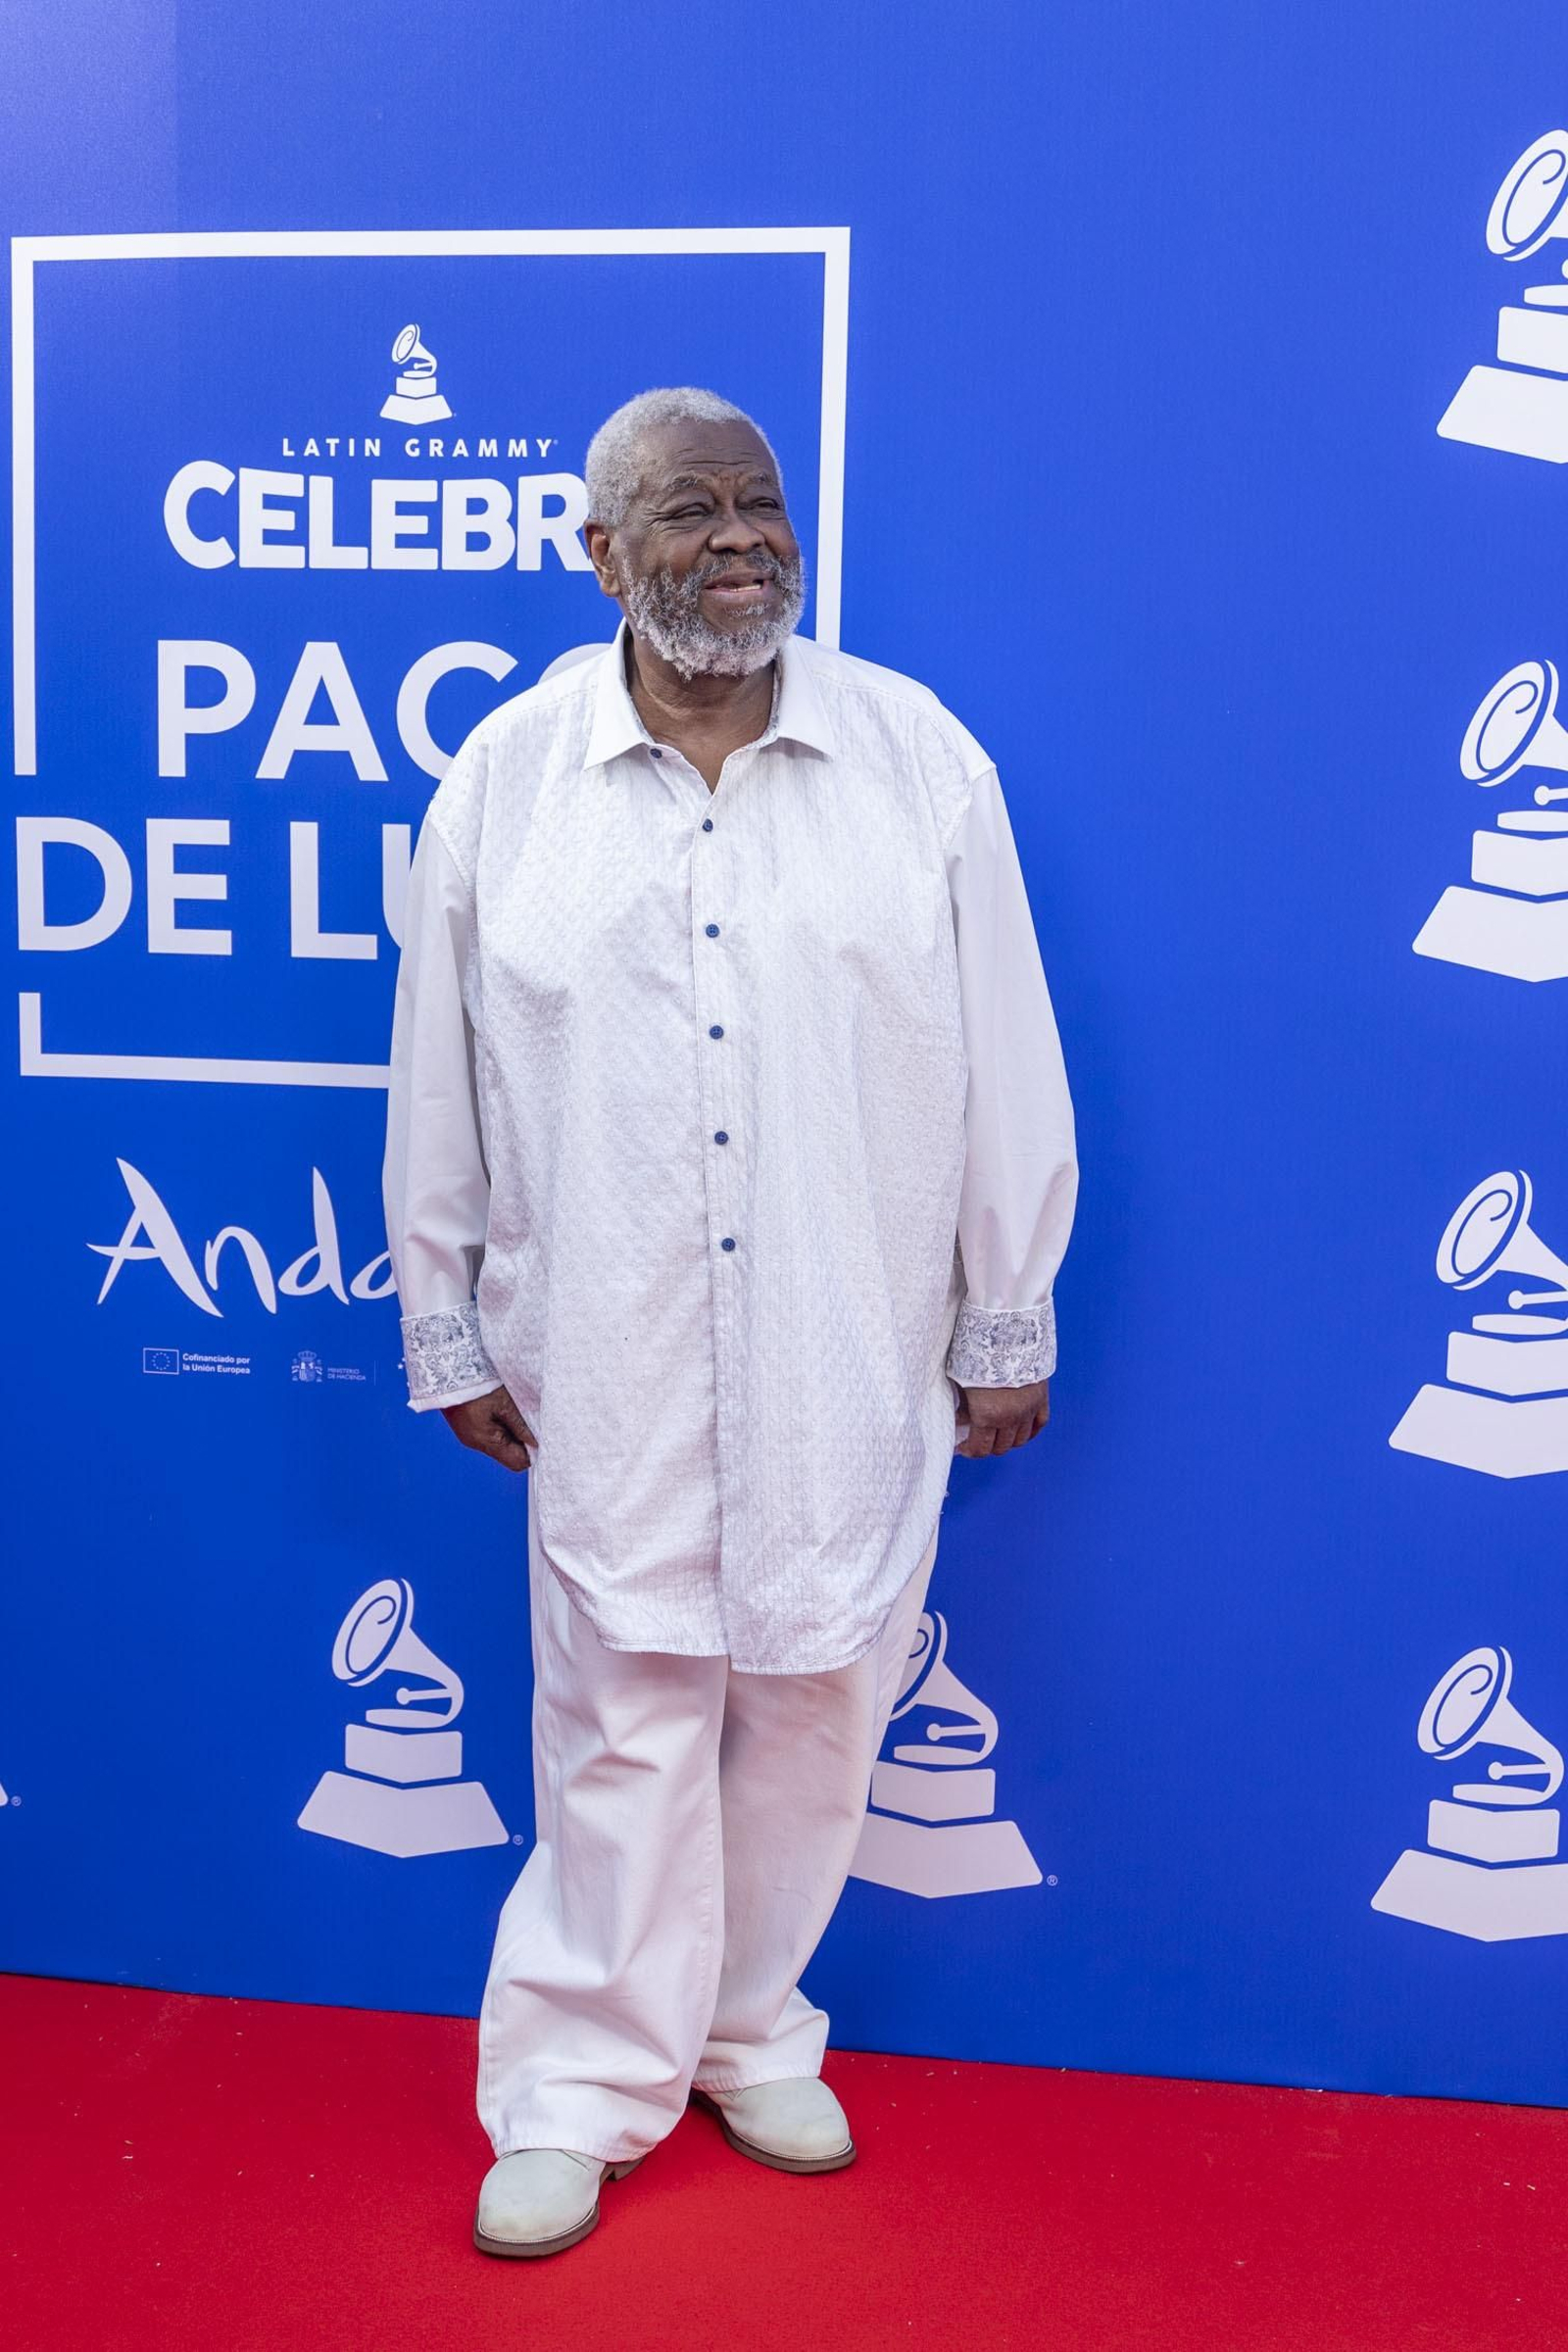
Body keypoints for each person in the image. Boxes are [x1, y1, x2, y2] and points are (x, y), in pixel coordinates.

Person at [382, 386, 1078, 2260]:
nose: (741, 539)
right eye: (689, 511)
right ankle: (577, 2083)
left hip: (848, 1331)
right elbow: (439, 1073)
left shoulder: (917, 760)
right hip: (600, 1332)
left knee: (819, 1695)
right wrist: (444, 1316)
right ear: (599, 557)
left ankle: (753, 2025)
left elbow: (1006, 1043)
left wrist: (1004, 1310)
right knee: (616, 1711)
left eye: (761, 505)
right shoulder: (504, 785)